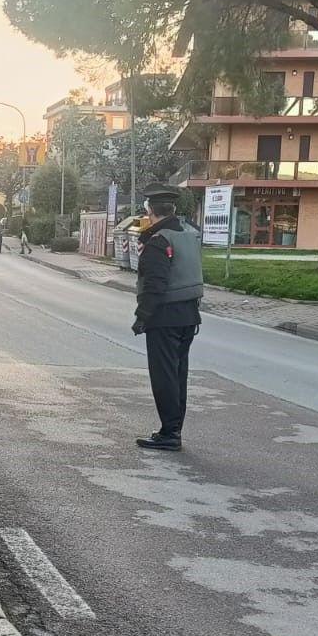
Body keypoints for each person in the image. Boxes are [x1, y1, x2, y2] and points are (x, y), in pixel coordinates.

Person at [131, 184, 203, 451]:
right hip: (189, 315)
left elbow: (155, 284)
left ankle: (169, 433)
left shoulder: (158, 240)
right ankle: (173, 429)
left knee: (163, 377)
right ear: (172, 209)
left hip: (165, 317)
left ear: (150, 211)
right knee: (177, 375)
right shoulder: (188, 235)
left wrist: (142, 317)